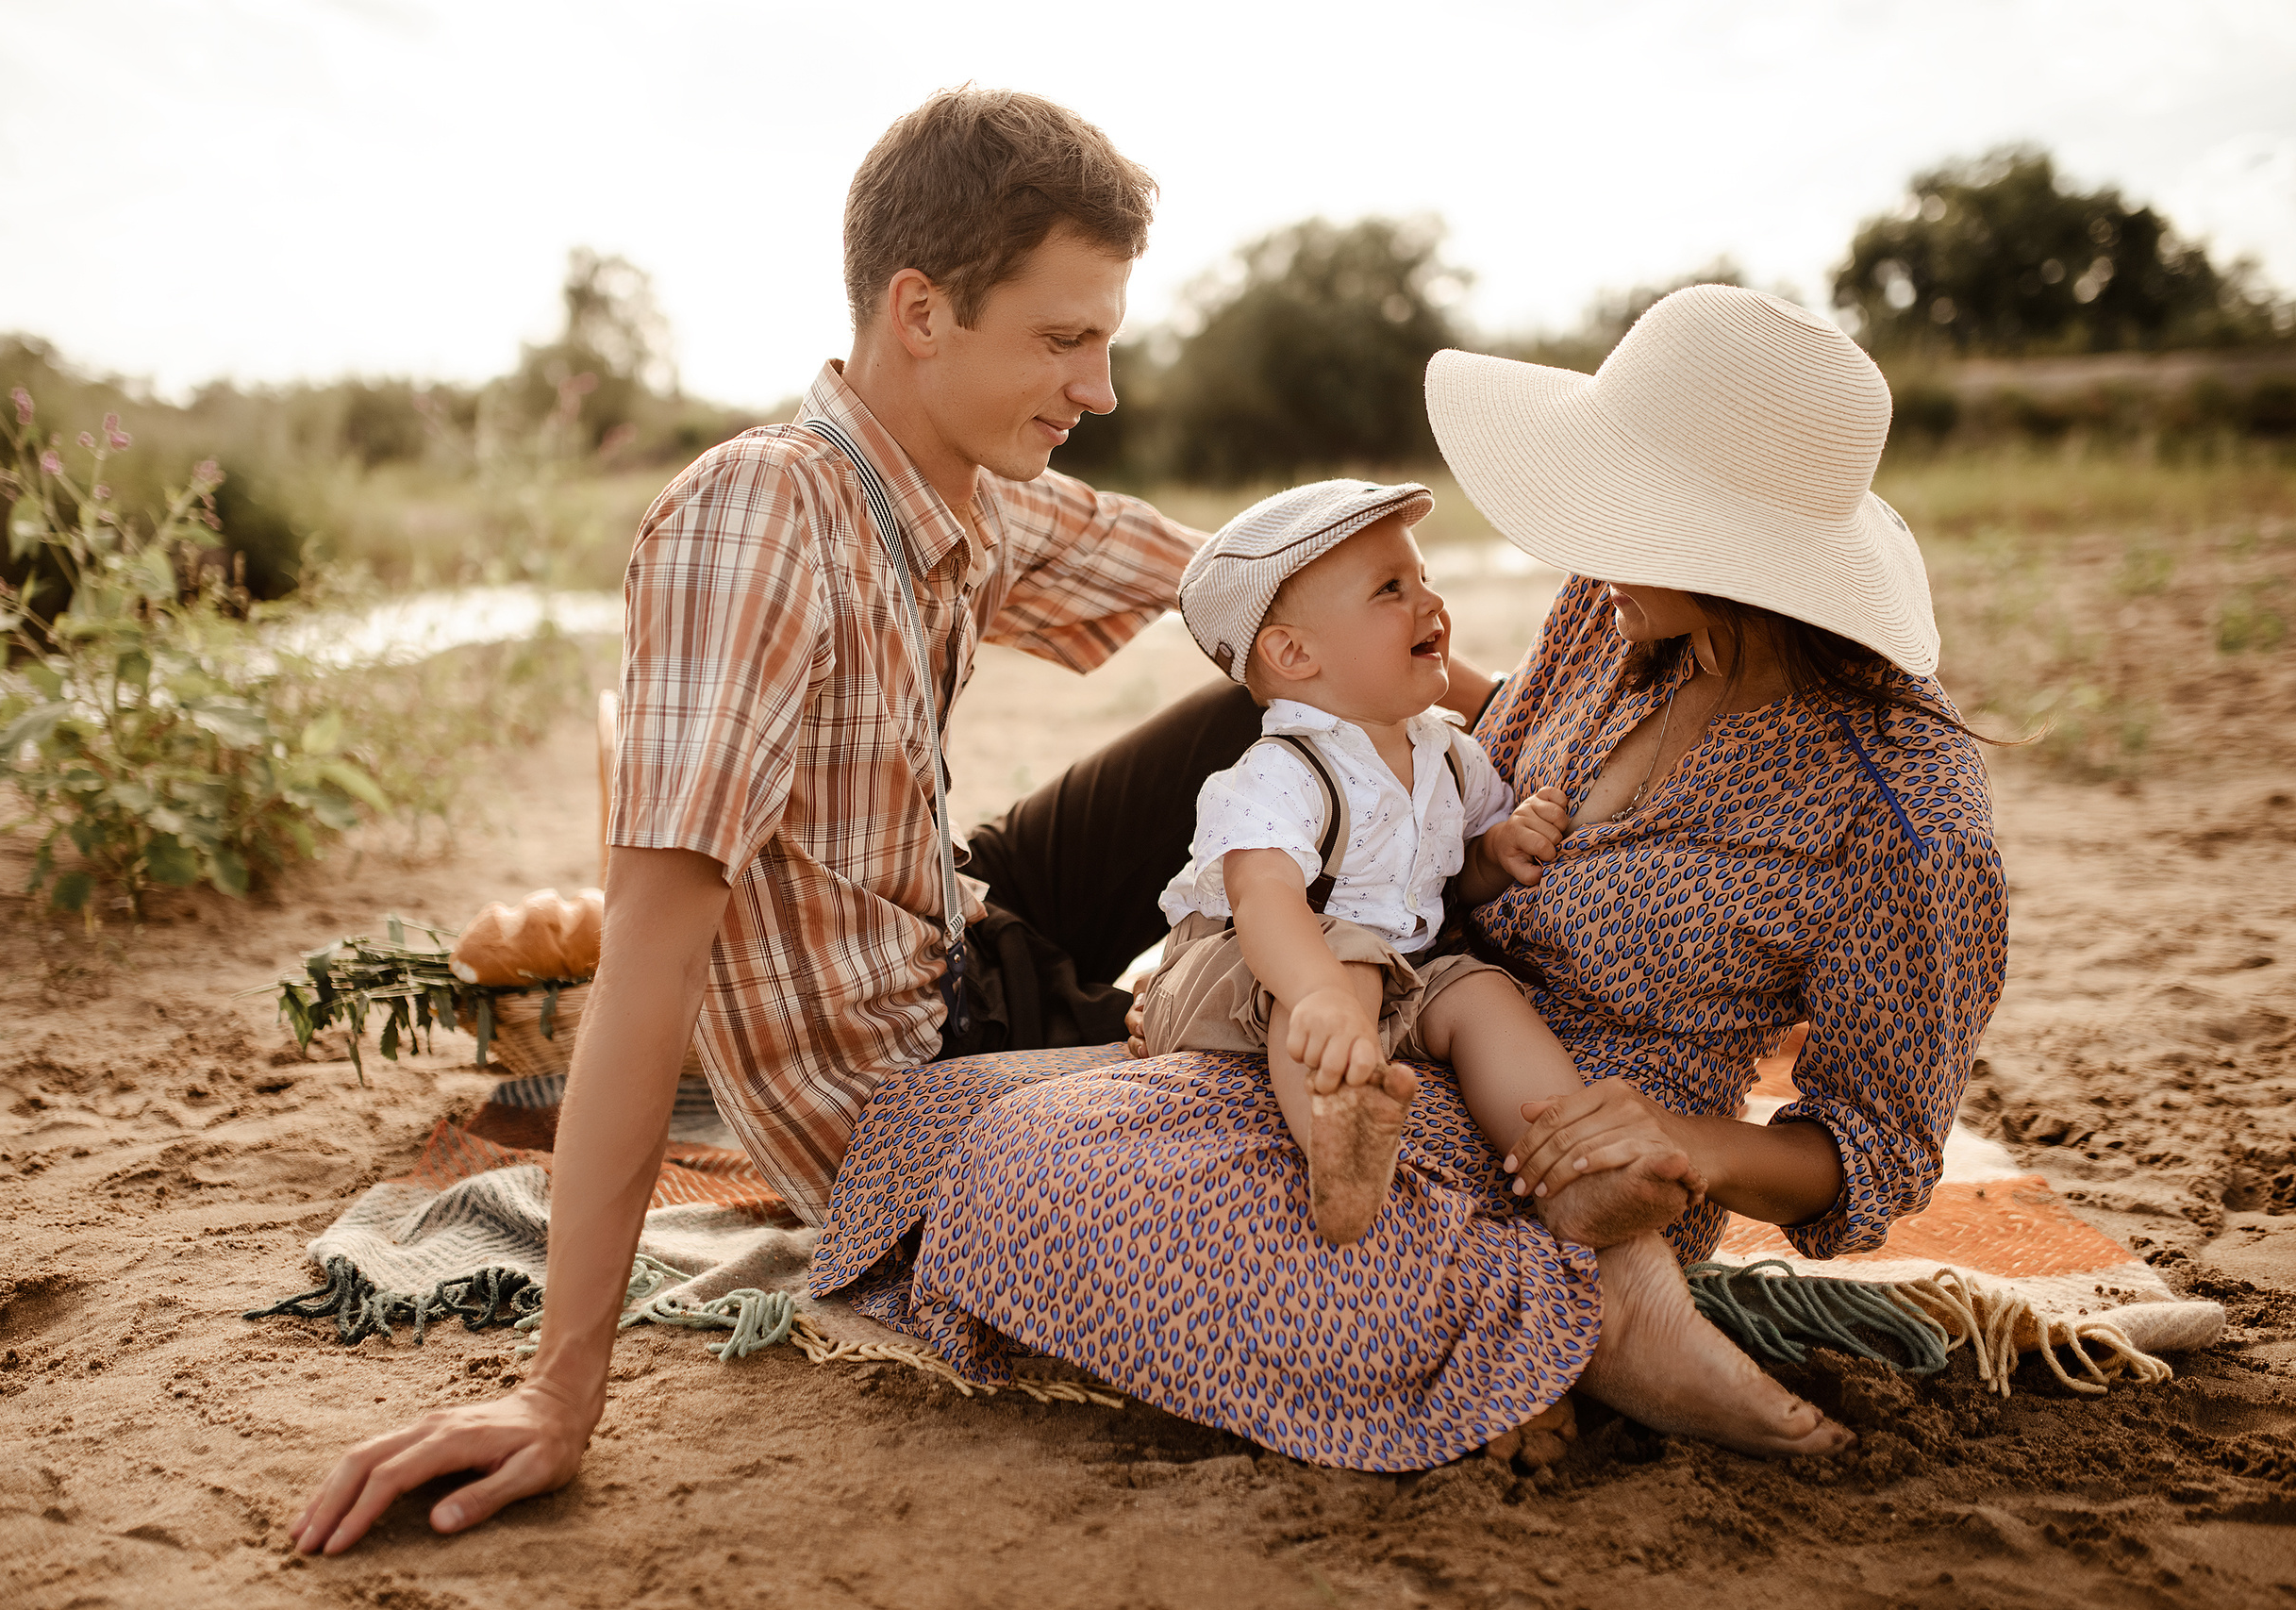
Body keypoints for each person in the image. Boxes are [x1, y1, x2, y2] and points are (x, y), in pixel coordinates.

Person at [289, 86, 1507, 1554]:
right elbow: (651, 967)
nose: (1101, 388)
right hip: (906, 1076)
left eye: (1103, 339)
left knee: (1293, 683)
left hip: (968, 921)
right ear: (921, 310)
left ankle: (1531, 925)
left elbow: (1283, 602)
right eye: (1065, 340)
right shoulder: (759, 518)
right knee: (1357, 1053)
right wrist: (560, 1392)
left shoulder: (966, 487)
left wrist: (1555, 709)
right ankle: (1471, 1032)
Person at [807, 284, 2005, 1472]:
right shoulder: (1623, 609)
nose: (1581, 542)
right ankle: (1556, 1333)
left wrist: (1688, 1143)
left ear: (1741, 558)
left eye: (1627, 515)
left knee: (1041, 1177)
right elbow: (1480, 751)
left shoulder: (1905, 818)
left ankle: (1579, 1317)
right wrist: (1328, 666)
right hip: (1404, 1021)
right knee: (938, 1127)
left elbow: (1871, 1151)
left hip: (1567, 1152)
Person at [1139, 478, 1686, 1244]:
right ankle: (1340, 1153)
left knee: (1483, 992)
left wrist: (1498, 850)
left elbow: (1453, 874)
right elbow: (1263, 898)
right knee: (1351, 958)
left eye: (1424, 578)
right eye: (1390, 589)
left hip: (1396, 975)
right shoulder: (1281, 771)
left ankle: (1572, 1168)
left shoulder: (1448, 754)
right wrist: (1321, 994)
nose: (1429, 603)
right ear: (1293, 652)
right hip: (1246, 979)